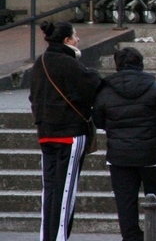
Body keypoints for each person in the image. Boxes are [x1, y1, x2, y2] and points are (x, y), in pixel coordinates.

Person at [29, 21, 102, 241]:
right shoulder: (69, 63)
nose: (78, 39)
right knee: (66, 190)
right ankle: (60, 237)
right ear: (66, 41)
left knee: (49, 188)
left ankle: (47, 237)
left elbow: (34, 97)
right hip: (69, 132)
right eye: (75, 36)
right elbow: (93, 86)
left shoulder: (39, 63)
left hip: (45, 132)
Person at [93, 47, 156, 241]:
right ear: (140, 64)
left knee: (125, 201)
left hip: (119, 156)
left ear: (117, 65)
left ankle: (131, 238)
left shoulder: (103, 91)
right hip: (151, 155)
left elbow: (99, 121)